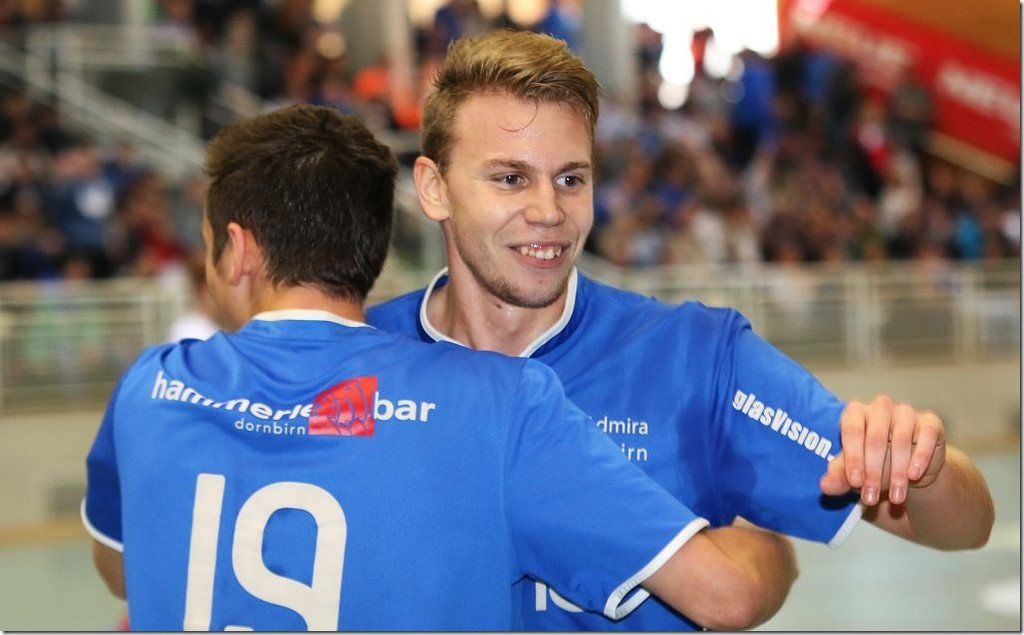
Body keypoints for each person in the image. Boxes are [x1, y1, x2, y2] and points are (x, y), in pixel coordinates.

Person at [366, 30, 996, 631]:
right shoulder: (360, 358)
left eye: (571, 179)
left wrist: (925, 464)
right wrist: (758, 564)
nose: (548, 211)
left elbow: (962, 526)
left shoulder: (690, 357)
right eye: (510, 178)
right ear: (434, 189)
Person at [82, 105, 798, 630]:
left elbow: (121, 565)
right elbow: (726, 597)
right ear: (371, 250)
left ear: (237, 249)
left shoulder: (151, 387)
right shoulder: (495, 400)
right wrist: (763, 538)